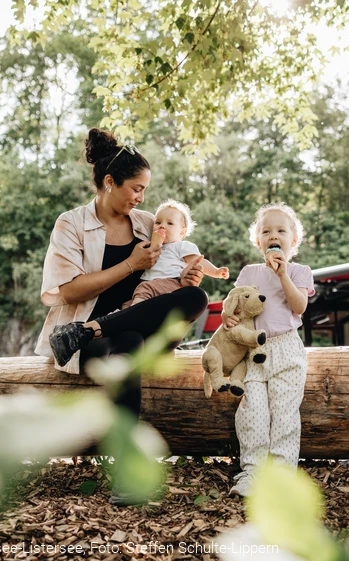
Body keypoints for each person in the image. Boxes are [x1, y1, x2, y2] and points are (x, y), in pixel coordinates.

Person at [35, 129, 208, 503]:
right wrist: (130, 264)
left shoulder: (147, 222)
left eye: (144, 190)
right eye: (135, 188)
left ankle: (87, 330)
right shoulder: (72, 224)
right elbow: (66, 291)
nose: (141, 197)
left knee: (196, 295)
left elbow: (178, 261)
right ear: (109, 182)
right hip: (104, 343)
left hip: (137, 322)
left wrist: (186, 274)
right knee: (127, 343)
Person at [221, 203, 314, 497]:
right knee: (252, 412)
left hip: (286, 349)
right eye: (266, 231)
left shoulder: (300, 271)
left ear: (293, 240)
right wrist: (228, 317)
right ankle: (252, 472)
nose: (274, 235)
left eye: (281, 231)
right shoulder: (249, 272)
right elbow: (234, 306)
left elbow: (299, 307)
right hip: (254, 351)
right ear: (258, 242)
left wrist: (283, 274)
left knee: (285, 414)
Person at [126, 199, 228, 307]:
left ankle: (134, 314)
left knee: (143, 290)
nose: (162, 226)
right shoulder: (150, 246)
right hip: (151, 286)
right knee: (128, 302)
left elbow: (199, 262)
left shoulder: (180, 246)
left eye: (170, 223)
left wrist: (216, 272)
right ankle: (122, 315)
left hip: (171, 283)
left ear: (182, 232)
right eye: (158, 222)